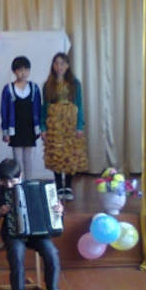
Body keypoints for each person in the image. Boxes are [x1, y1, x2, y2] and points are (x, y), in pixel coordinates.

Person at [0, 159, 63, 290]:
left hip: (37, 234)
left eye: (12, 181)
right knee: (16, 253)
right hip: (13, 233)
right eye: (5, 182)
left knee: (51, 252)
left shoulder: (38, 188)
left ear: (20, 175)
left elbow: (53, 215)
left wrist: (59, 212)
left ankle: (52, 288)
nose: (8, 185)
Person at [41, 53, 88, 201]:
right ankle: (59, 185)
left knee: (70, 153)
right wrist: (43, 127)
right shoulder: (48, 85)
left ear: (67, 65)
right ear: (52, 65)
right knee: (56, 152)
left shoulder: (75, 84)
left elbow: (79, 105)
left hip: (70, 122)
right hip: (54, 123)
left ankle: (68, 185)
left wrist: (79, 125)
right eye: (56, 63)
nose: (59, 66)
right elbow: (44, 107)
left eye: (62, 63)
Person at [0, 56, 42, 181]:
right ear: (14, 71)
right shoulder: (8, 89)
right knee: (17, 159)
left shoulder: (34, 88)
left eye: (26, 69)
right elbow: (4, 111)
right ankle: (18, 183)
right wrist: (5, 131)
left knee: (28, 158)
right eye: (20, 70)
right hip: (15, 129)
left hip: (29, 128)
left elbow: (38, 109)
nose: (23, 73)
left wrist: (38, 129)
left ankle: (28, 182)